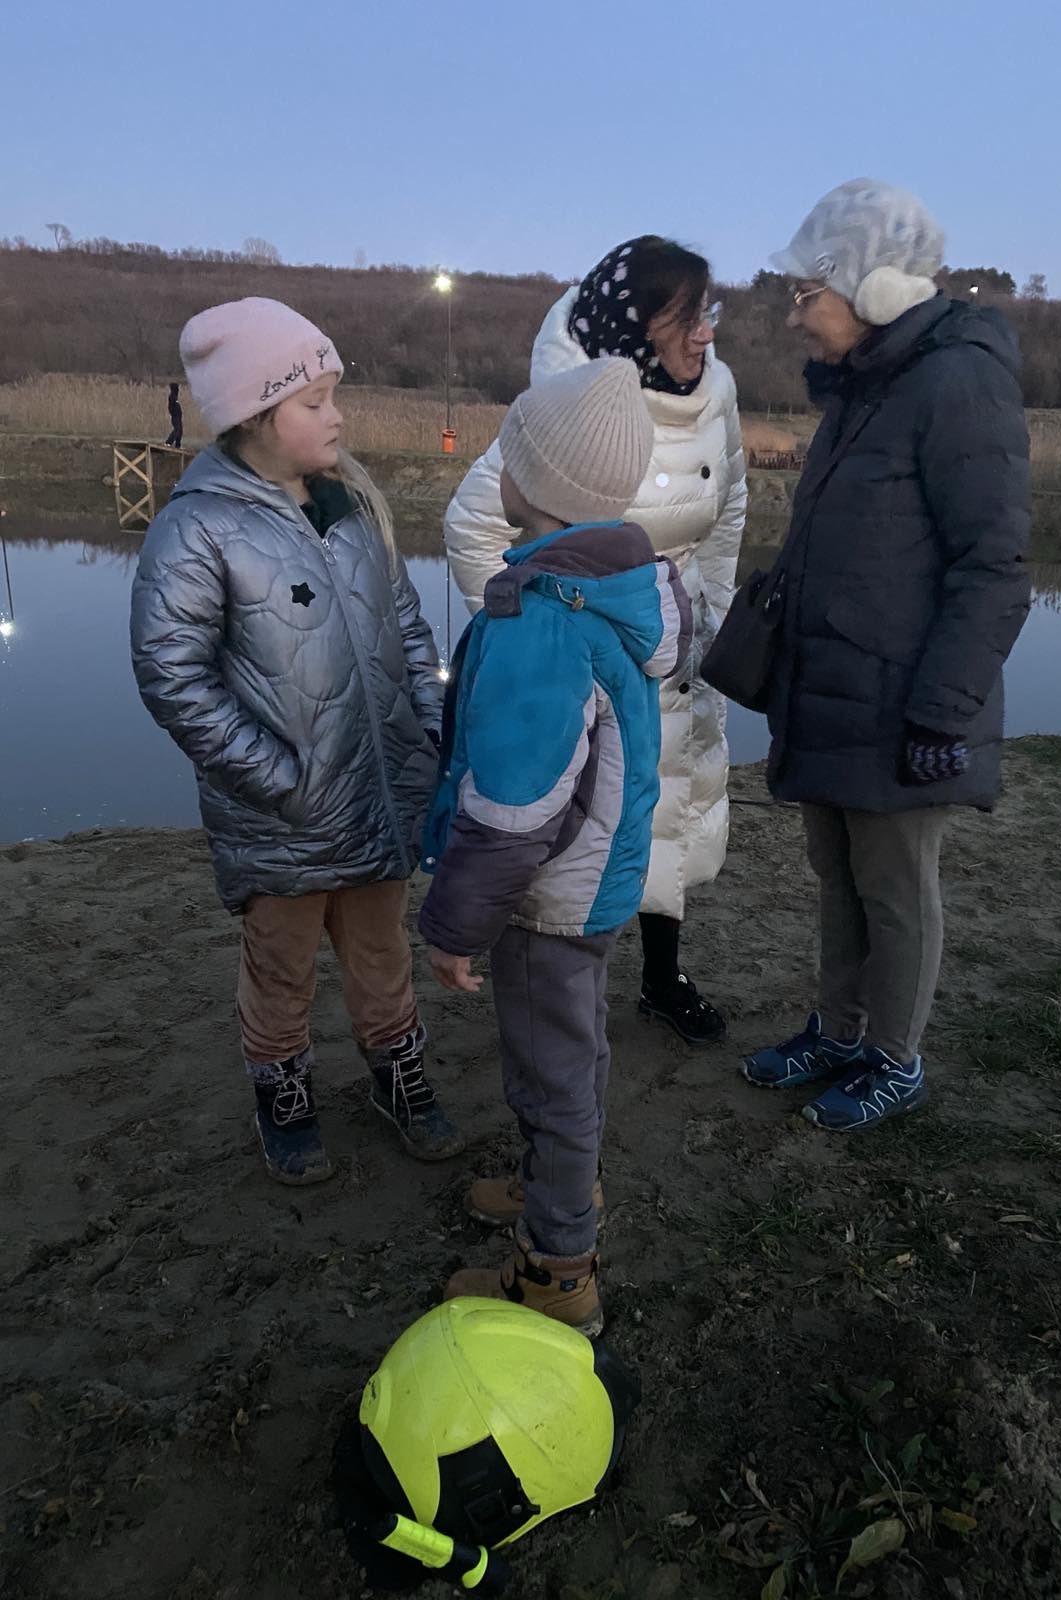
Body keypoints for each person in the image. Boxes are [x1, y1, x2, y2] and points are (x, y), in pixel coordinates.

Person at [131, 297, 463, 1184]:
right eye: (314, 401)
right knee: (280, 965)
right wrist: (279, 777)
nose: (337, 416)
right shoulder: (197, 528)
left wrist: (427, 731)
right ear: (255, 414)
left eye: (333, 396)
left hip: (381, 792)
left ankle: (397, 1073)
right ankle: (283, 1092)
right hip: (282, 812)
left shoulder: (354, 507)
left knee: (382, 951)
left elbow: (404, 621)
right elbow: (173, 674)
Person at [740, 179, 1032, 1131]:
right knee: (838, 873)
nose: (795, 316)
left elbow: (993, 566)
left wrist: (944, 711)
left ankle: (894, 1057)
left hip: (904, 700)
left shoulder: (958, 381)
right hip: (833, 688)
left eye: (804, 293)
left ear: (869, 287)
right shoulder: (869, 389)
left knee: (895, 890)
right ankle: (840, 1026)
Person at [419, 356, 692, 1334]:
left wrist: (453, 924)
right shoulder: (607, 587)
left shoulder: (545, 620)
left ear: (525, 481)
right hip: (591, 881)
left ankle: (557, 1266)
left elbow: (513, 809)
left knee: (552, 1067)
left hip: (547, 897)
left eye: (510, 447)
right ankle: (556, 1188)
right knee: (565, 1055)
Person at [443, 237, 745, 1044]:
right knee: (593, 831)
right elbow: (472, 526)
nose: (705, 335)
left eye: (708, 313)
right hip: (600, 659)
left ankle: (663, 977)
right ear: (631, 323)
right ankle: (574, 1000)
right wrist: (544, 640)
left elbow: (733, 503)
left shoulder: (716, 393)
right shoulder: (570, 407)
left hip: (668, 643)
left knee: (666, 817)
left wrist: (703, 612)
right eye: (685, 319)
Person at [166, 381, 184, 448]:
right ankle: (168, 442)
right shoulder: (172, 396)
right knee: (177, 429)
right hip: (175, 417)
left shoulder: (175, 397)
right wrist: (174, 413)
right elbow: (170, 407)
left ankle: (178, 445)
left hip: (178, 417)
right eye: (177, 388)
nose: (178, 390)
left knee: (180, 431)